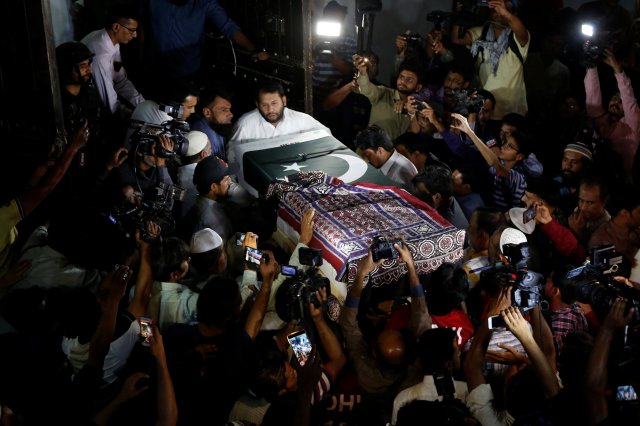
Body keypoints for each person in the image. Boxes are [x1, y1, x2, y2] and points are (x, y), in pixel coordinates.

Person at [338, 243, 429, 395]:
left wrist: (361, 273)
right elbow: (421, 316)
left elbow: (348, 324)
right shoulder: (418, 370)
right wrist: (410, 265)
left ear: (373, 353)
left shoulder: (365, 373)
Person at [141, 0, 268, 82]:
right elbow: (138, 23)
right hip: (156, 71)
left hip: (189, 73)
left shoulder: (205, 2)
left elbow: (229, 27)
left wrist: (251, 48)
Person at [452, 0, 530, 119]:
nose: (498, 13)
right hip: (485, 111)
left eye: (504, 10)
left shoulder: (516, 36)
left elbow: (522, 33)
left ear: (514, 14)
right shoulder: (481, 32)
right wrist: (459, 14)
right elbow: (457, 39)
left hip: (512, 112)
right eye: (495, 9)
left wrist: (506, 13)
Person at [228, 81, 330, 165]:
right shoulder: (245, 124)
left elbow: (327, 137)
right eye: (264, 105)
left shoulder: (302, 120)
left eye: (274, 103)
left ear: (284, 101)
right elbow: (232, 154)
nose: (270, 109)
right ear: (257, 105)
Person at [450, 113, 533, 209]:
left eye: (510, 146)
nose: (504, 146)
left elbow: (494, 163)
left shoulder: (518, 178)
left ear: (519, 156)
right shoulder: (499, 164)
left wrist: (469, 131)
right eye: (505, 142)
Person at [584, 48, 640, 181]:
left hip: (623, 181)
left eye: (621, 102)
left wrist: (618, 70)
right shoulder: (601, 120)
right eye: (615, 98)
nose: (616, 102)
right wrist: (591, 66)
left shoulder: (632, 126)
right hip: (596, 176)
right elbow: (593, 98)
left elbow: (628, 98)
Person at [391, 328, 467, 425]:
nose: (459, 353)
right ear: (448, 364)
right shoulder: (466, 392)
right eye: (456, 350)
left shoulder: (402, 399)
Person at [81, 5, 145, 118]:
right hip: (88, 107)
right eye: (132, 30)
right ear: (116, 27)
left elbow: (120, 80)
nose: (135, 35)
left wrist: (144, 106)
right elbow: (110, 104)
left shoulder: (112, 42)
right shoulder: (100, 55)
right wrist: (138, 117)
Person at [353, 55, 423, 141]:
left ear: (418, 87)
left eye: (409, 80)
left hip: (393, 153)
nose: (403, 81)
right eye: (401, 77)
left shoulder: (416, 107)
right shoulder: (384, 92)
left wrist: (411, 113)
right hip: (368, 151)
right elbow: (367, 89)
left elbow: (415, 133)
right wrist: (363, 72)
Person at [180, 155, 237, 243]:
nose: (230, 182)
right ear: (214, 187)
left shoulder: (195, 192)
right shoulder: (212, 220)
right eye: (226, 180)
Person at [412, 166, 469, 230]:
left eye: (421, 194)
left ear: (437, 197)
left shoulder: (446, 225)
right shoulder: (445, 195)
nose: (414, 197)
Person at [189, 87, 234, 162]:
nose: (231, 114)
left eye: (229, 110)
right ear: (207, 112)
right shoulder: (204, 139)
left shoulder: (216, 125)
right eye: (224, 110)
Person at [568, 176, 611, 248]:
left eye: (590, 203)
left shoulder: (608, 228)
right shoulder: (576, 212)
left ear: (604, 202)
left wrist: (577, 233)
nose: (583, 208)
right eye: (581, 200)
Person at [177, 130, 211, 218]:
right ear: (203, 155)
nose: (212, 151)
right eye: (210, 149)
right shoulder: (203, 180)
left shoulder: (178, 171)